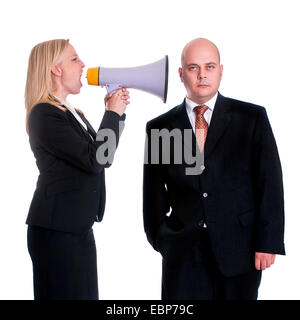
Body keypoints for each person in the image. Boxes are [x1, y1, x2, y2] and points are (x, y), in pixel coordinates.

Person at [143, 38, 285, 300]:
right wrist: (162, 240)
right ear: (181, 74)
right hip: (182, 255)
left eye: (209, 67)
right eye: (193, 68)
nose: (202, 75)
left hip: (239, 251)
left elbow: (269, 183)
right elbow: (153, 194)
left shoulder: (251, 118)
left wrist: (268, 241)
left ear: (221, 70)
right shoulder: (160, 128)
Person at [25, 39, 130, 300]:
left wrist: (114, 113)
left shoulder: (74, 113)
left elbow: (103, 156)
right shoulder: (43, 114)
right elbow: (96, 160)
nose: (83, 64)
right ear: (55, 69)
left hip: (76, 228)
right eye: (74, 59)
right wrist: (112, 115)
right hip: (56, 231)